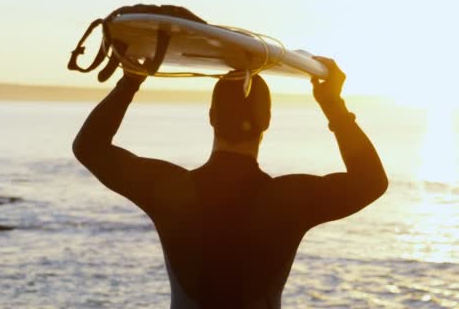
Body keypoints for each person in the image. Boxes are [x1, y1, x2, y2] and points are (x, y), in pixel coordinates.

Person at [72, 57, 388, 309]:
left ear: (211, 116)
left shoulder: (170, 189)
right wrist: (332, 103)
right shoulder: (288, 199)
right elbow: (371, 180)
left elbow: (89, 147)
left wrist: (131, 80)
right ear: (266, 122)